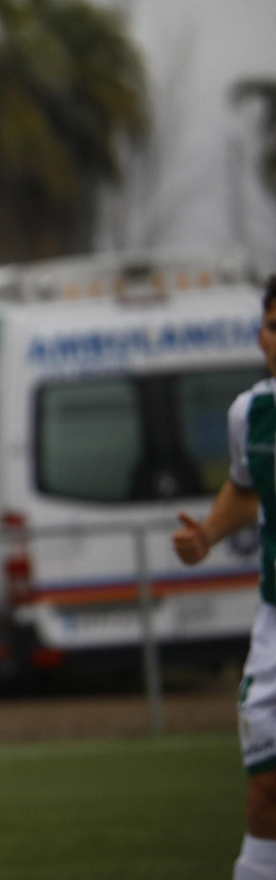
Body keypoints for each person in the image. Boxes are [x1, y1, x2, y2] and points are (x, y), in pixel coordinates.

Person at [173, 274, 276, 880]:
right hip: (275, 621)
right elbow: (245, 489)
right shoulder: (252, 413)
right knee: (265, 791)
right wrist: (207, 534)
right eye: (272, 327)